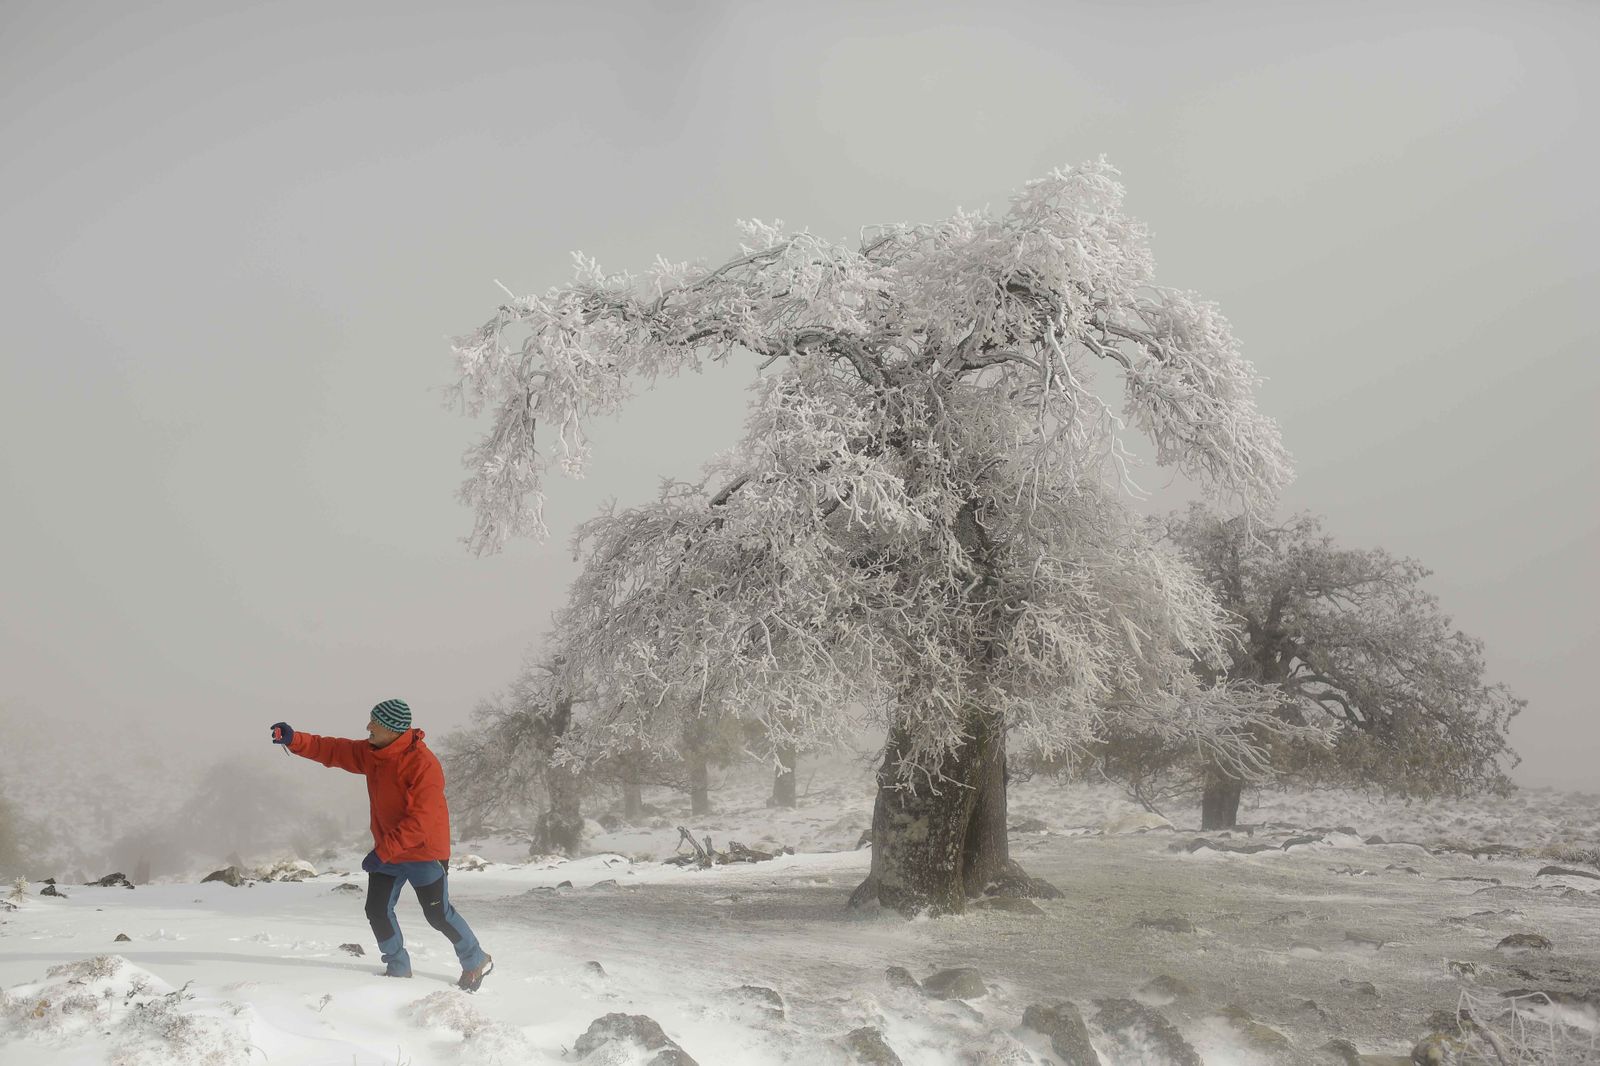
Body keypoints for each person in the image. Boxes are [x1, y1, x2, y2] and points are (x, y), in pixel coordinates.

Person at [270, 699, 493, 990]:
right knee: (377, 909)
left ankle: (475, 959)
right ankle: (398, 967)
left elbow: (421, 822)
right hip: (389, 850)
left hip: (423, 852)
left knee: (437, 914)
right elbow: (332, 749)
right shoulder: (372, 753)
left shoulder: (424, 766)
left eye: (374, 723)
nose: (368, 727)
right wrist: (294, 739)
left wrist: (382, 853)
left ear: (392, 729)